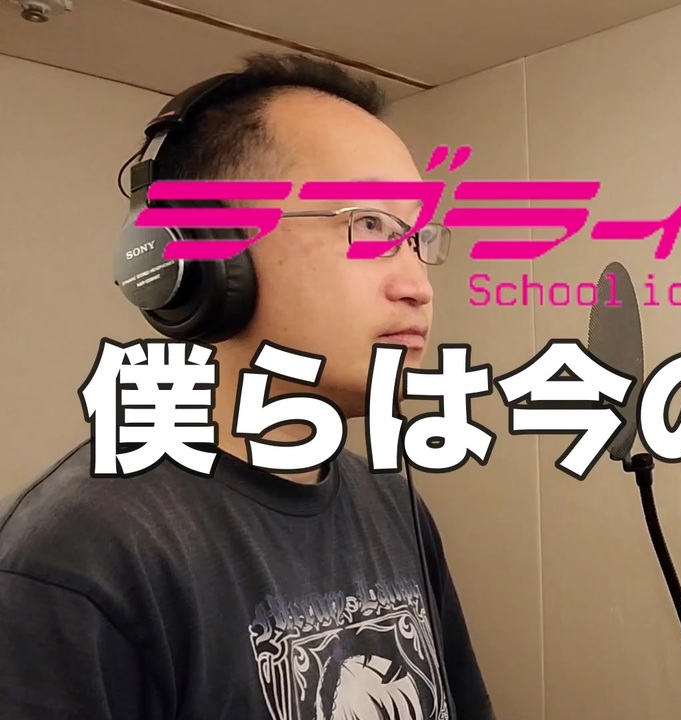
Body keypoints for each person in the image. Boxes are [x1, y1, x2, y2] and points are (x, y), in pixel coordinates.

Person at [0, 52, 494, 719]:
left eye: (417, 237)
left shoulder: (390, 502)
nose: (417, 286)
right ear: (210, 252)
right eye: (369, 225)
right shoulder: (77, 556)